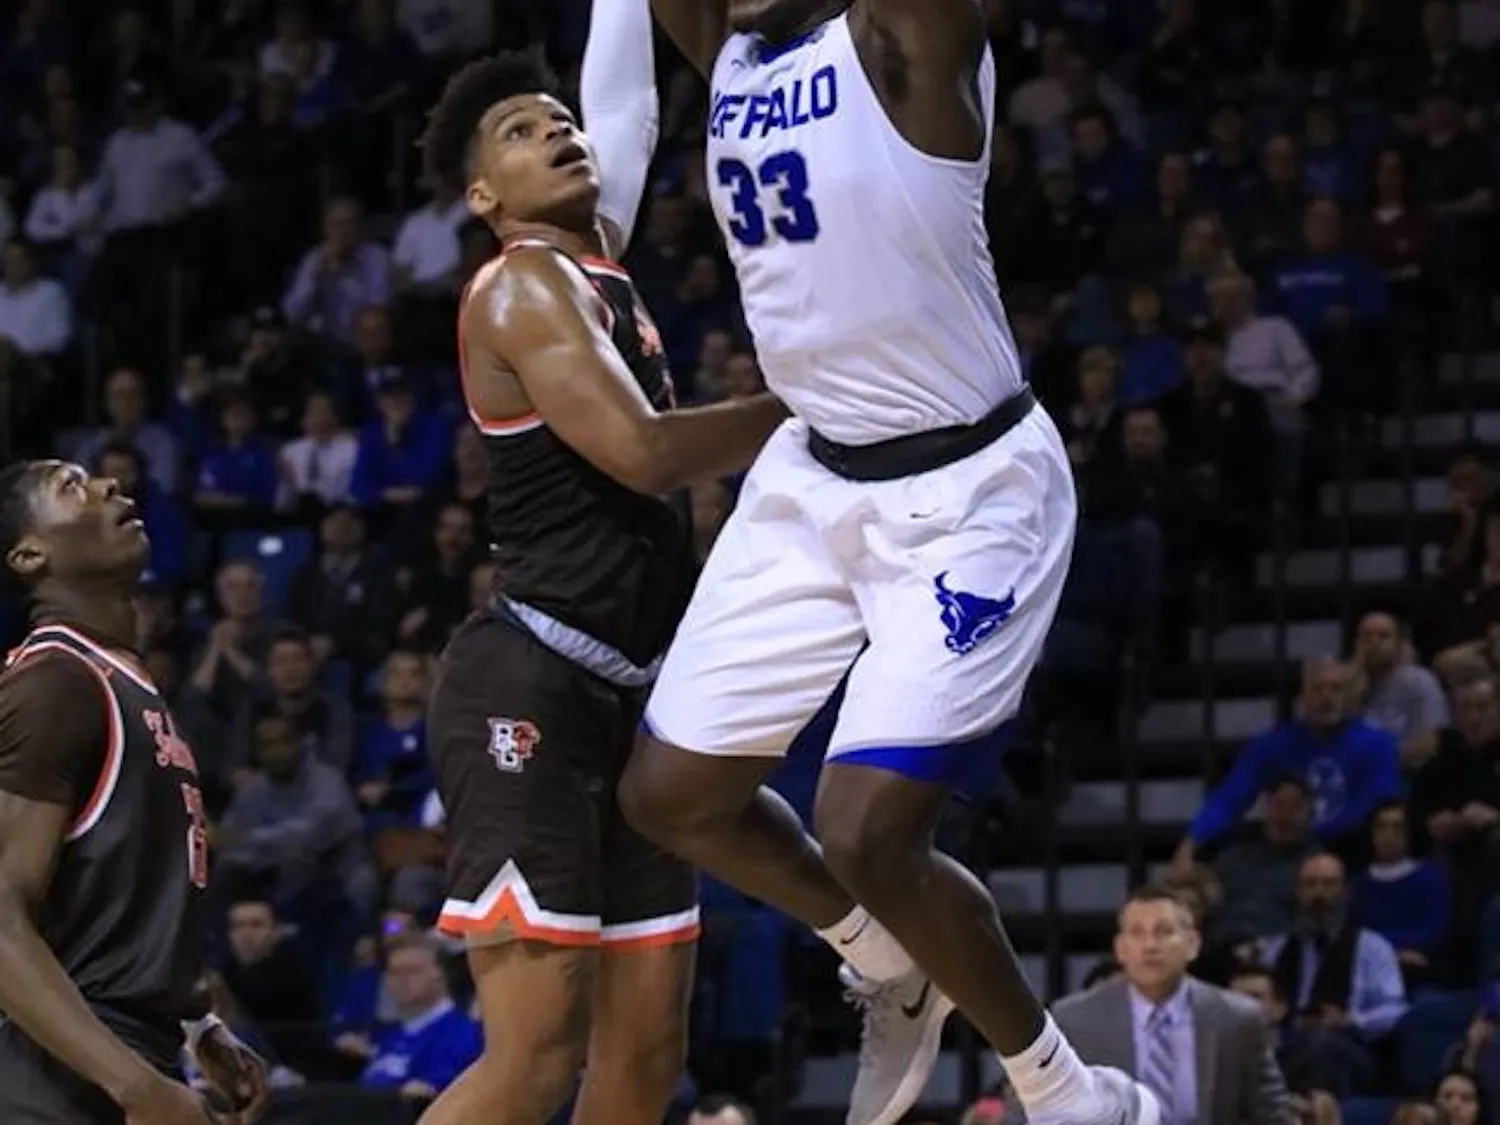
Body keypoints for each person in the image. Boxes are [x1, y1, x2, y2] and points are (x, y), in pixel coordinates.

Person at [589, 2, 1159, 1124]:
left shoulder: (906, 48)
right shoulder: (738, 49)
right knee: (669, 795)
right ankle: (889, 961)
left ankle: (1065, 1091)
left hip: (970, 490)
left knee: (865, 831)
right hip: (813, 477)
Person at [412, 52, 789, 1125]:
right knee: (537, 1057)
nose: (558, 132)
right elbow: (643, 451)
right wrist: (806, 399)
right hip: (532, 679)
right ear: (483, 197)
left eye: (559, 119)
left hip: (632, 692)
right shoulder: (522, 284)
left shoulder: (596, 268)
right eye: (521, 132)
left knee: (644, 1058)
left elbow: (626, 97)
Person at [0, 459, 270, 1124]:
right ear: (31, 555)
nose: (107, 486)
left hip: (120, 1051)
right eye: (70, 487)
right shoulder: (55, 681)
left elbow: (111, 897)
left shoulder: (118, 677)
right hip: (48, 1075)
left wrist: (196, 1020)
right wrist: (137, 1087)